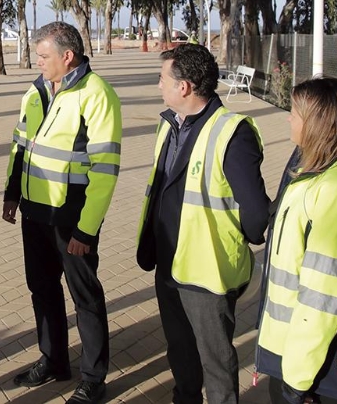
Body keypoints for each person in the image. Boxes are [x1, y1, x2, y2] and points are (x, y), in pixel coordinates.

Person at [135, 43, 269, 404]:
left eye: (162, 79)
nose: (158, 86)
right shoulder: (169, 125)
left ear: (185, 87)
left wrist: (233, 239)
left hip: (207, 271)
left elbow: (256, 214)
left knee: (216, 362)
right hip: (169, 262)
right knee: (180, 353)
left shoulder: (232, 132)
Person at [3, 22, 122, 404]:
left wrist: (86, 230)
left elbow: (105, 171)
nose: (37, 62)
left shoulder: (97, 94)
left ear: (67, 56)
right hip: (34, 213)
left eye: (43, 56)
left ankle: (93, 378)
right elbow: (20, 146)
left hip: (72, 218)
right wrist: (11, 193)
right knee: (42, 289)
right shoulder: (35, 92)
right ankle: (53, 360)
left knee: (85, 296)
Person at [256, 77, 337, 404]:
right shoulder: (315, 177)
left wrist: (297, 381)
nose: (288, 118)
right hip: (300, 354)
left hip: (318, 365)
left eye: (295, 113)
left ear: (319, 125)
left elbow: (323, 298)